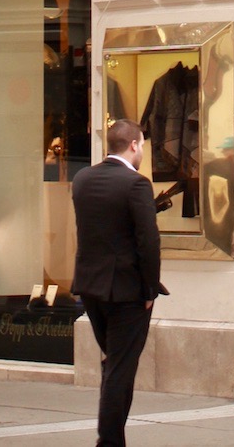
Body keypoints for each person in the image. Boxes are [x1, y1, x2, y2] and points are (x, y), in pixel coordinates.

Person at [71, 117, 167, 447]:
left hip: (90, 288)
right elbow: (148, 241)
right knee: (119, 369)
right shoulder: (136, 184)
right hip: (127, 292)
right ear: (134, 145)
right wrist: (149, 289)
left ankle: (113, 439)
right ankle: (108, 441)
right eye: (142, 146)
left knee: (114, 364)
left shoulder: (82, 179)